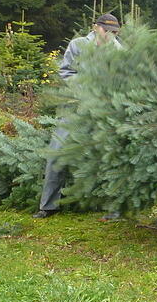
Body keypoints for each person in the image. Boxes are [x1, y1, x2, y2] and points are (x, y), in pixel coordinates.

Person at [33, 14, 123, 219]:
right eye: (107, 31)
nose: (111, 35)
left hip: (104, 110)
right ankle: (48, 206)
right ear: (96, 28)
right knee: (57, 152)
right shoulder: (78, 45)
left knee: (111, 154)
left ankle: (115, 208)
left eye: (115, 32)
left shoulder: (118, 51)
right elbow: (66, 72)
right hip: (74, 107)